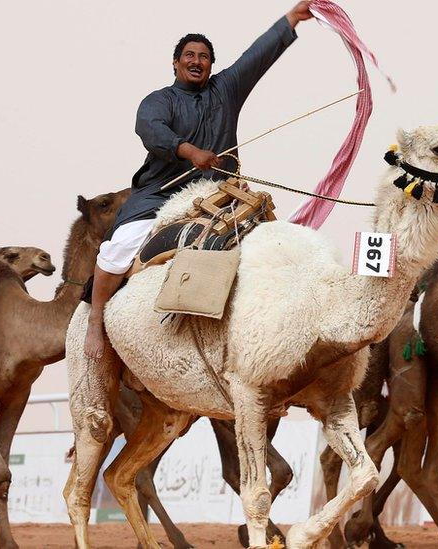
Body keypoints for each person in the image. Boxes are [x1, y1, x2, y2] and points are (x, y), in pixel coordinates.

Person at [84, 2, 314, 358]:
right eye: (189, 55)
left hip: (221, 193)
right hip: (162, 193)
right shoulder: (158, 101)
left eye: (204, 56)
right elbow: (151, 129)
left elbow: (256, 56)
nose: (196, 60)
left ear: (211, 64)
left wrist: (293, 18)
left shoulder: (226, 90)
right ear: (175, 63)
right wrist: (190, 152)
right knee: (120, 248)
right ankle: (96, 323)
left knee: (272, 245)